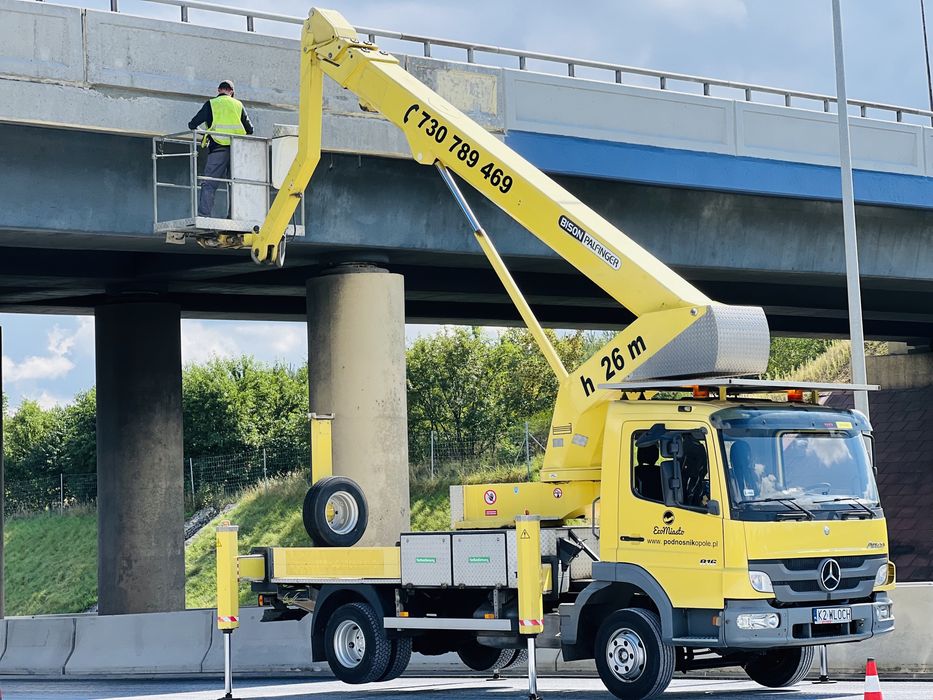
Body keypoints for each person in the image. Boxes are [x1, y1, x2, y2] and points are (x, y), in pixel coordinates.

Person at [188, 80, 254, 217]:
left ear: (218, 90)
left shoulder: (211, 104)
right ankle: (234, 216)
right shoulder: (238, 105)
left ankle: (204, 215)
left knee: (209, 183)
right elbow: (250, 130)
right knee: (235, 185)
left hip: (218, 149)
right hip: (237, 151)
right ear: (232, 92)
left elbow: (192, 124)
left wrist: (205, 133)